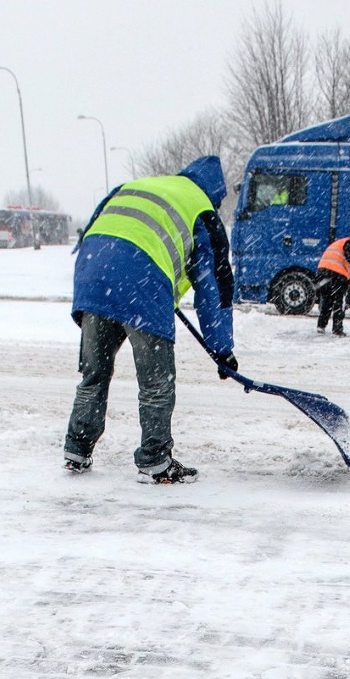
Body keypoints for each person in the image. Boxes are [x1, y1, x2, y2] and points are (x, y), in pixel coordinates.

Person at [63, 156, 237, 484]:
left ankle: (76, 449)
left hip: (92, 272)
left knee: (94, 373)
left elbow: (93, 228)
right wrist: (222, 348)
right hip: (141, 279)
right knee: (156, 383)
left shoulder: (139, 187)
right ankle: (156, 461)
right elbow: (213, 287)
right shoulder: (202, 210)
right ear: (215, 193)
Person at [315, 223, 350, 337]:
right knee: (339, 302)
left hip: (323, 272)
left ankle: (321, 326)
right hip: (336, 275)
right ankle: (337, 329)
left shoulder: (341, 242)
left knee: (327, 301)